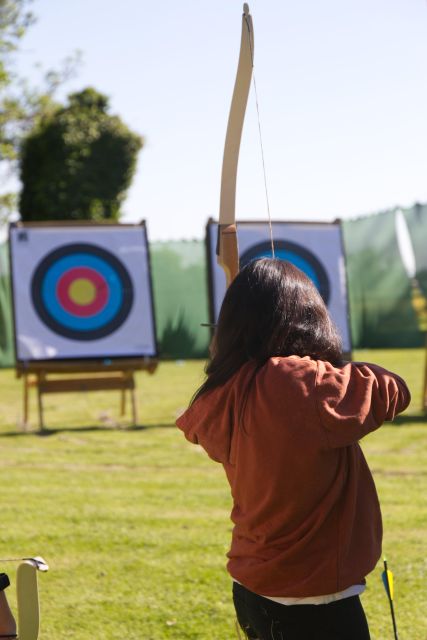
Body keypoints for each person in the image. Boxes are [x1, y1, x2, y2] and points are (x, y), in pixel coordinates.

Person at [176, 258, 410, 640]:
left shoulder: (227, 387)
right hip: (313, 598)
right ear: (306, 317)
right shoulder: (299, 381)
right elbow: (392, 388)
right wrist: (324, 362)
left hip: (253, 587)